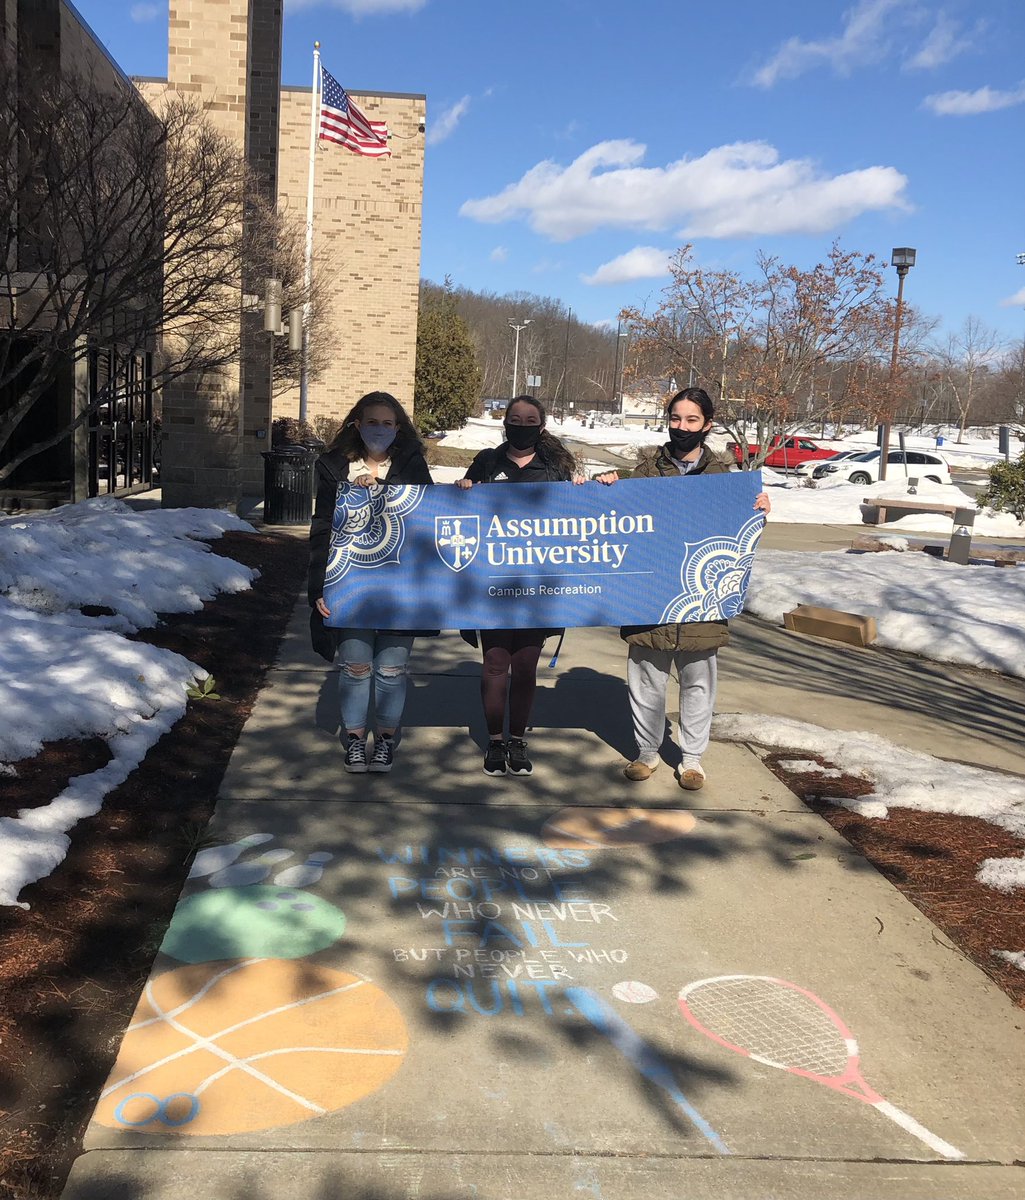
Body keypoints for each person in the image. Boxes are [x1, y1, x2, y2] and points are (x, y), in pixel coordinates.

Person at [596, 387, 770, 791]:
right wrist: (606, 487)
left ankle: (691, 759)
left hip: (702, 599)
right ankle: (647, 753)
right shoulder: (644, 474)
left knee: (698, 683)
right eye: (676, 418)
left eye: (692, 420)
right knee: (646, 681)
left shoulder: (724, 481)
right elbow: (610, 521)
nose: (682, 426)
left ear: (707, 424)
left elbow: (739, 537)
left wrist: (759, 510)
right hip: (650, 597)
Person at [456, 396, 584, 778]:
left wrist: (587, 490)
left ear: (541, 427)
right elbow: (461, 513)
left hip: (536, 586)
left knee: (526, 668)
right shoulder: (487, 462)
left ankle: (517, 739)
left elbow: (578, 517)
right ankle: (495, 741)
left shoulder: (555, 467)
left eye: (530, 420)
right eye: (515, 419)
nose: (522, 426)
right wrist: (464, 488)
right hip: (492, 585)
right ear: (505, 423)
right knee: (495, 664)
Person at [308, 391, 433, 774]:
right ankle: (355, 743)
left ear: (399, 428)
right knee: (356, 667)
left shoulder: (411, 464)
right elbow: (322, 528)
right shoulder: (334, 466)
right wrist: (318, 588)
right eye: (373, 422)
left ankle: (385, 742)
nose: (380, 429)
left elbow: (430, 516)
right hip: (349, 583)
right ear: (357, 425)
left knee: (392, 670)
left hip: (400, 585)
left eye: (387, 423)